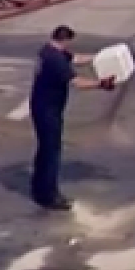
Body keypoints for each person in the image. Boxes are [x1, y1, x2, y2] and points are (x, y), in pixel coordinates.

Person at [28, 26, 113, 212]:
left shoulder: (48, 50)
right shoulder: (56, 60)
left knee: (45, 149)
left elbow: (75, 58)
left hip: (42, 106)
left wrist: (99, 57)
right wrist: (101, 84)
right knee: (52, 151)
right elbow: (77, 82)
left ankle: (39, 188)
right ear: (65, 40)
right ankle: (49, 195)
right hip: (47, 110)